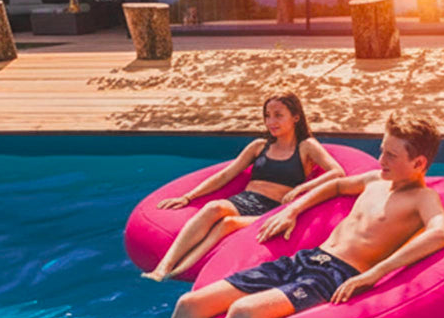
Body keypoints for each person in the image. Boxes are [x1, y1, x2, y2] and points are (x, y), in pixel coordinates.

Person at [154, 112, 444, 318]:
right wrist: (293, 209)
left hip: (335, 275)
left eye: (391, 155)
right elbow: (335, 188)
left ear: (419, 163)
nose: (380, 159)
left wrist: (372, 275)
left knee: (242, 313)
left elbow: (439, 233)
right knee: (189, 303)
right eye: (382, 149)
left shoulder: (422, 198)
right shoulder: (375, 180)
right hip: (306, 259)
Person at [143, 93, 344, 282]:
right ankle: (164, 267)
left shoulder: (306, 146)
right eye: (267, 116)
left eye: (278, 115)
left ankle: (180, 269)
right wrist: (188, 197)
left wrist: (302, 188)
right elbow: (226, 174)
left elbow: (337, 172)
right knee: (213, 208)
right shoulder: (259, 146)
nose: (271, 122)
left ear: (296, 117)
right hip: (245, 200)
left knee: (227, 224)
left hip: (274, 210)